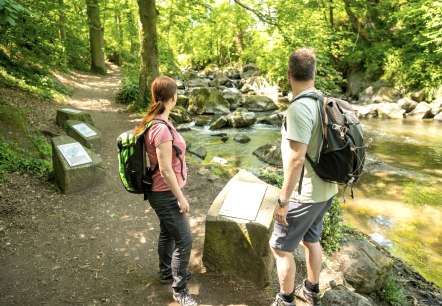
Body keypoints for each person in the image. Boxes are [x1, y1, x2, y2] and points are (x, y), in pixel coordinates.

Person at [270, 48, 338, 306]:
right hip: (326, 188)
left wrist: (283, 201)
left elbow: (297, 159)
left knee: (280, 247)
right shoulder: (323, 101)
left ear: (289, 75)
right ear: (315, 72)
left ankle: (285, 300)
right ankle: (311, 290)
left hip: (306, 193)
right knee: (311, 239)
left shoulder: (299, 109)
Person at [134, 76, 198, 306]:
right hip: (165, 193)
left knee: (167, 233)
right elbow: (165, 169)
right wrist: (181, 198)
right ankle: (180, 290)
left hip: (164, 191)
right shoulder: (160, 129)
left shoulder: (158, 121)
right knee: (185, 240)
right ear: (173, 98)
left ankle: (165, 273)